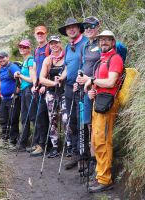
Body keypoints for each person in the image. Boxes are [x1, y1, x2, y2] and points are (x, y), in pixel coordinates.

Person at [84, 30, 124, 193]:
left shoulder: (115, 59)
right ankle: (100, 173)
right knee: (96, 139)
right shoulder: (102, 60)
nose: (104, 42)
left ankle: (105, 179)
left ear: (113, 42)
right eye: (101, 40)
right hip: (98, 102)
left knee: (103, 140)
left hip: (107, 104)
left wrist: (92, 80)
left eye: (107, 40)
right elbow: (99, 83)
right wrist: (91, 90)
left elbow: (111, 81)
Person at [58, 18, 88, 169]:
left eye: (73, 27)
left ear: (78, 28)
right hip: (69, 88)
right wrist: (61, 77)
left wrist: (81, 79)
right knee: (72, 121)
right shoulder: (68, 46)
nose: (71, 30)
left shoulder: (86, 43)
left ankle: (84, 156)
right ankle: (76, 154)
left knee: (82, 121)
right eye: (68, 28)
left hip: (82, 87)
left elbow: (89, 65)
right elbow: (67, 67)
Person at [74, 16, 100, 173]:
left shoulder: (102, 43)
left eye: (92, 25)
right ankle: (92, 160)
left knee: (96, 127)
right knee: (89, 126)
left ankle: (98, 162)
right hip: (85, 90)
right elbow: (84, 66)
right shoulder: (85, 46)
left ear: (98, 26)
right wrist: (80, 79)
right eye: (86, 26)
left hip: (96, 90)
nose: (89, 29)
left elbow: (105, 66)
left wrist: (90, 80)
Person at [39, 35, 70, 158]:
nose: (54, 45)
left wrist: (61, 79)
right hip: (51, 93)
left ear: (60, 43)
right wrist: (53, 83)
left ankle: (69, 146)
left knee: (66, 119)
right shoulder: (48, 60)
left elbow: (68, 71)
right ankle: (55, 146)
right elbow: (41, 78)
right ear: (49, 45)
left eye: (56, 43)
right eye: (51, 43)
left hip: (64, 93)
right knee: (53, 120)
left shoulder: (66, 57)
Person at [28, 25, 50, 156]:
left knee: (42, 117)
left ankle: (43, 145)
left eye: (42, 33)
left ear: (46, 34)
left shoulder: (48, 48)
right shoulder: (36, 50)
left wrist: (44, 85)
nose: (40, 35)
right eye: (38, 34)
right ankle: (40, 143)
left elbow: (50, 66)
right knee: (38, 116)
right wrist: (34, 83)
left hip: (46, 87)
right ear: (35, 35)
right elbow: (35, 67)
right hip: (38, 87)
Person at [15, 39, 37, 152]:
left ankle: (37, 144)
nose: (22, 49)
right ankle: (22, 144)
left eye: (24, 47)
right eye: (21, 47)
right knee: (24, 118)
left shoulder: (30, 60)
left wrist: (20, 76)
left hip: (29, 90)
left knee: (32, 117)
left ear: (29, 48)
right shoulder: (25, 61)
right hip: (24, 91)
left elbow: (32, 79)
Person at [0, 51, 21, 148]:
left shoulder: (12, 67)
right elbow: (2, 82)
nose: (1, 60)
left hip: (13, 98)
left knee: (13, 119)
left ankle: (13, 141)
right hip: (4, 98)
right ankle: (5, 140)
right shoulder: (1, 69)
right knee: (3, 119)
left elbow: (19, 78)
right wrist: (1, 93)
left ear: (7, 57)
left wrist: (16, 93)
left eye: (3, 58)